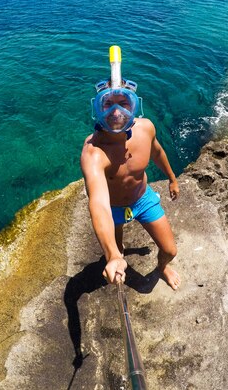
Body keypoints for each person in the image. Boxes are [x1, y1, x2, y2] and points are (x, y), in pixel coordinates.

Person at [80, 48, 181, 290]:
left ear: (135, 106)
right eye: (107, 104)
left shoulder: (145, 128)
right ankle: (119, 253)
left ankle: (161, 267)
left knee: (170, 249)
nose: (116, 112)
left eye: (124, 103)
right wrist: (112, 255)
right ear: (97, 108)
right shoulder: (93, 152)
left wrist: (172, 178)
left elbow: (157, 152)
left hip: (142, 198)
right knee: (117, 248)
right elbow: (99, 204)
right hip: (113, 208)